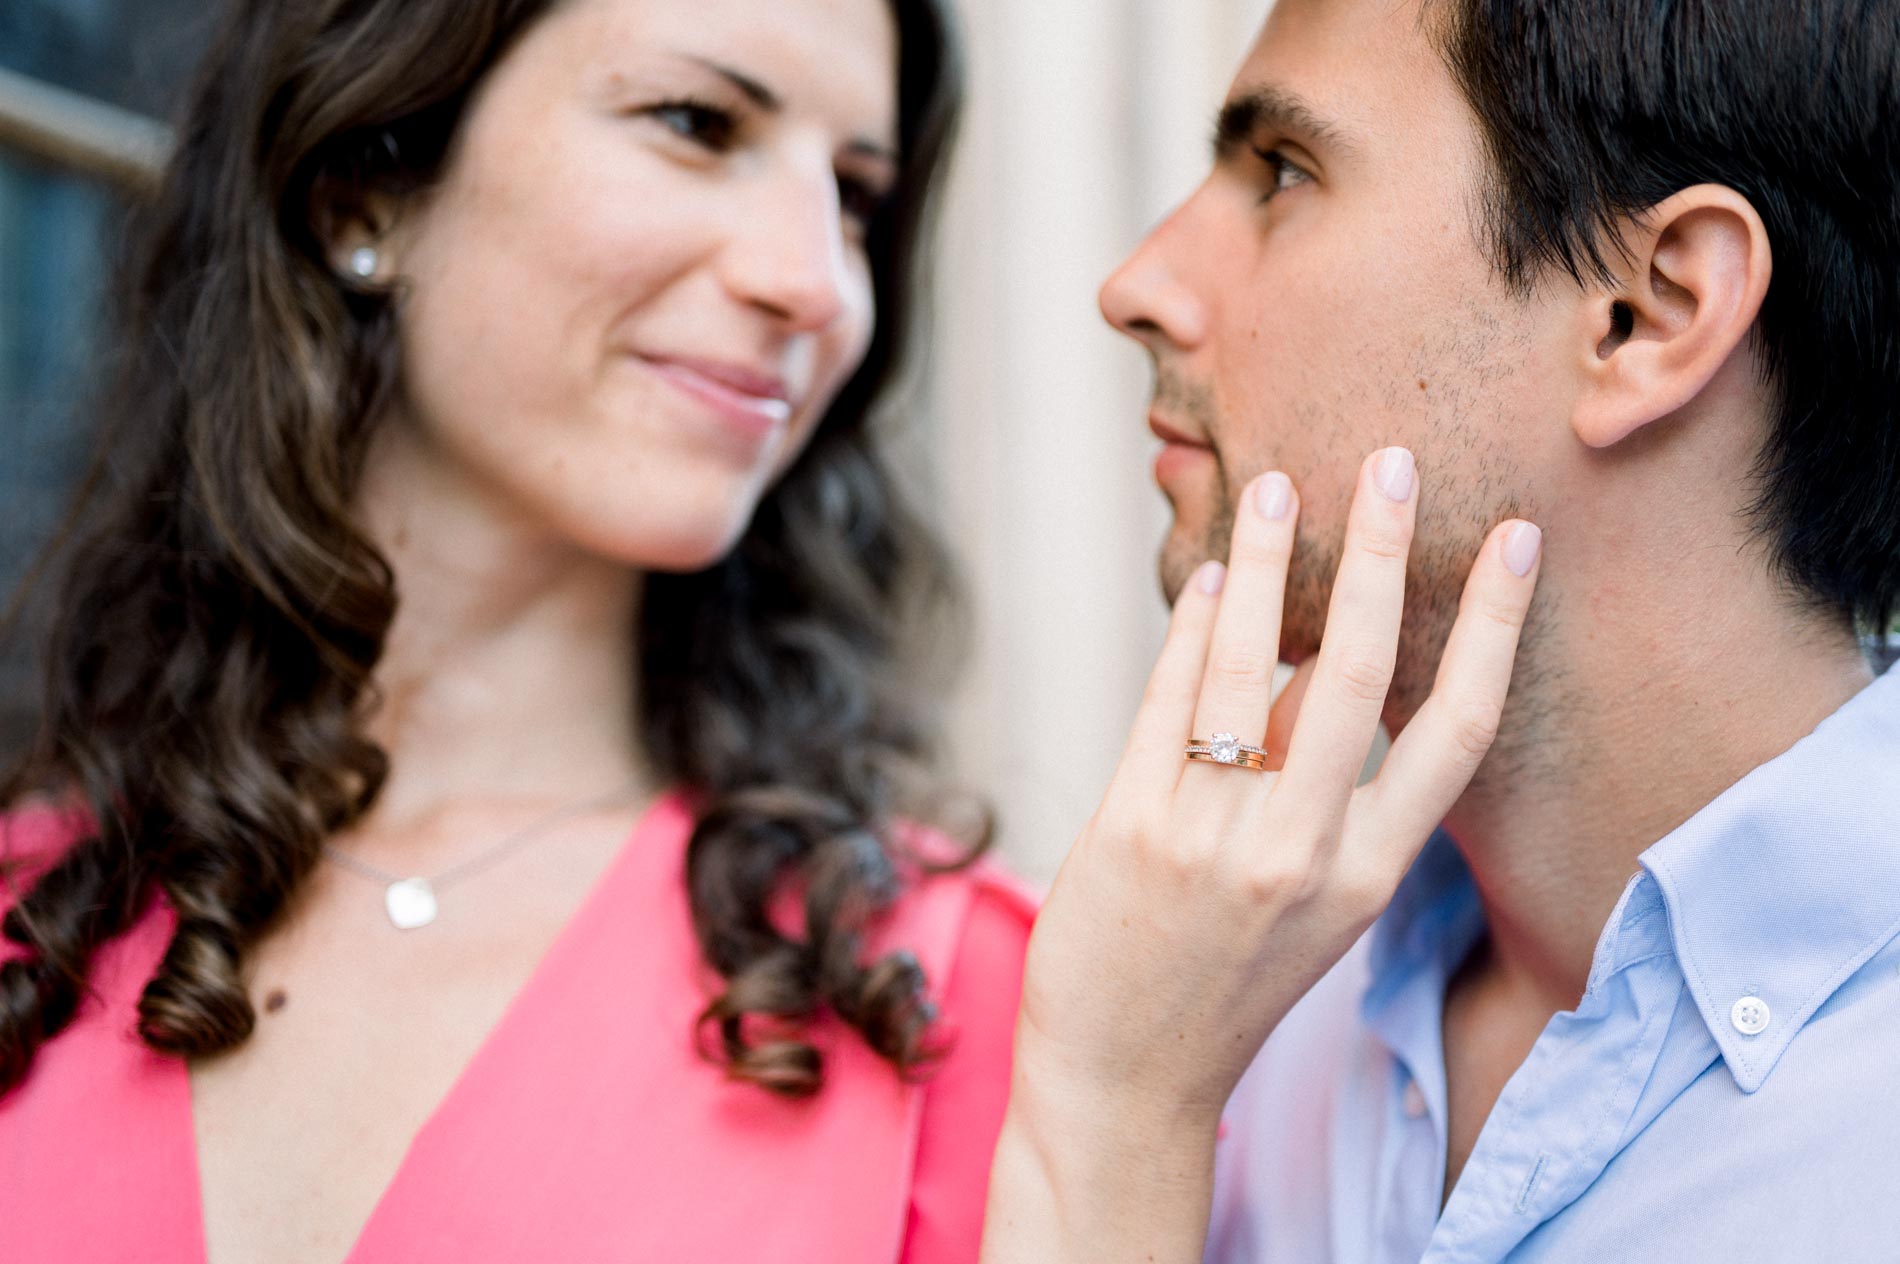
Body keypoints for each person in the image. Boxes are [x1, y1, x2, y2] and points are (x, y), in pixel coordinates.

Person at [0, 0, 1036, 1260]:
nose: (814, 284)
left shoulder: (951, 992)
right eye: (696, 124)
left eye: (858, 198)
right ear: (365, 185)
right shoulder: (30, 915)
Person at [983, 0, 1900, 1259]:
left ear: (1648, 311)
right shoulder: (1225, 1005)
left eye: (1282, 173)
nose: (1134, 286)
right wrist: (1122, 1106)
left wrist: (1111, 1123)